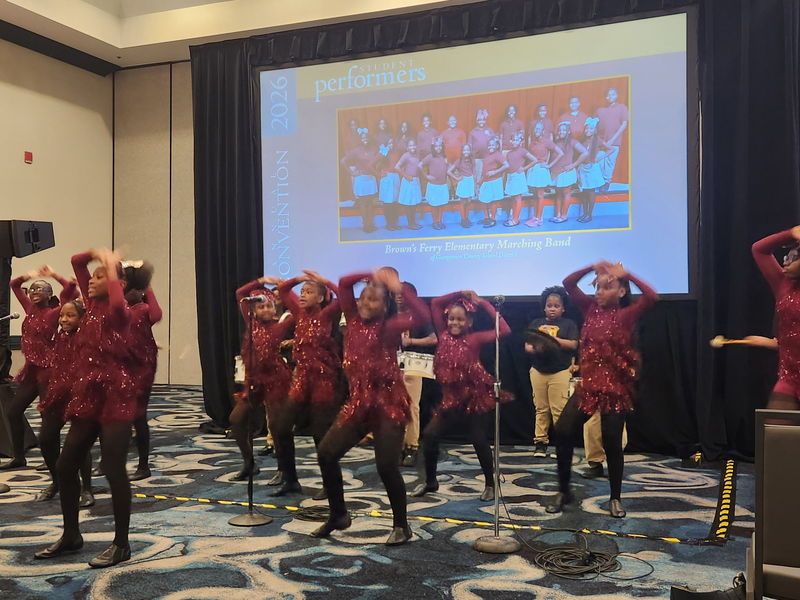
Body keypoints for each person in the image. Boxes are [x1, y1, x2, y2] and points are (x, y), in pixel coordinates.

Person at [35, 249, 137, 567]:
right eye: (91, 279)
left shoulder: (121, 311)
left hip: (116, 401)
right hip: (88, 399)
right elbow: (77, 262)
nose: (90, 282)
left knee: (114, 469)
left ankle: (121, 544)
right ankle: (71, 536)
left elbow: (118, 299)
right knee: (66, 467)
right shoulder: (90, 306)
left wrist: (110, 264)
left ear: (117, 283)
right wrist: (97, 256)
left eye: (99, 277)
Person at [314, 268, 428, 545]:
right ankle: (338, 514)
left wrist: (397, 287)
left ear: (385, 305)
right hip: (359, 404)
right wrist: (372, 275)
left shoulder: (388, 329)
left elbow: (423, 317)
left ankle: (401, 525)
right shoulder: (351, 319)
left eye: (374, 300)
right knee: (326, 453)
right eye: (363, 298)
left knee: (386, 466)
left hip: (388, 405)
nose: (366, 303)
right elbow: (343, 283)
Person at [550, 261, 657, 518]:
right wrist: (592, 267)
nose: (599, 291)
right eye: (597, 287)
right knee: (562, 430)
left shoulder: (626, 314)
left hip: (615, 389)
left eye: (607, 287)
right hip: (588, 386)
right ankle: (563, 490)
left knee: (611, 443)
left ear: (621, 292)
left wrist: (627, 273)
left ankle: (615, 497)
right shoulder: (589, 309)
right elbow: (568, 283)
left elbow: (652, 296)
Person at [413, 290, 510, 502]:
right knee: (429, 436)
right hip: (451, 401)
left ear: (469, 321)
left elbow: (504, 330)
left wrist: (482, 302)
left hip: (474, 398)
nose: (454, 323)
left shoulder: (475, 338)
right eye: (451, 318)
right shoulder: (442, 334)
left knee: (478, 439)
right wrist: (460, 293)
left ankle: (490, 484)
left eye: (460, 319)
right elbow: (436, 301)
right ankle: (430, 481)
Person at [1, 265, 77, 470]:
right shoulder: (29, 309)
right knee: (13, 412)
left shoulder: (54, 313)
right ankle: (19, 457)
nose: (34, 291)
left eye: (40, 289)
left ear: (49, 295)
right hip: (31, 371)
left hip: (49, 371)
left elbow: (71, 291)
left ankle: (51, 458)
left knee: (48, 417)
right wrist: (32, 275)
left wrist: (54, 274)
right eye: (32, 289)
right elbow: (15, 284)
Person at [274, 271, 342, 497]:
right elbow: (284, 290)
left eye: (309, 292)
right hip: (301, 378)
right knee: (281, 427)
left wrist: (324, 281)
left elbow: (344, 296)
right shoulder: (298, 312)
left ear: (321, 298)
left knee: (320, 434)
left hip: (323, 380)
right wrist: (297, 280)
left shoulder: (329, 314)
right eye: (302, 291)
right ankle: (290, 479)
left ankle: (328, 484)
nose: (302, 295)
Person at [229, 279, 294, 482]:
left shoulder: (280, 326)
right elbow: (240, 292)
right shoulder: (251, 323)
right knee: (236, 420)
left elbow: (298, 312)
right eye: (261, 306)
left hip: (276, 379)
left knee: (277, 427)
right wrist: (261, 282)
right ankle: (249, 463)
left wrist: (285, 291)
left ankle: (285, 471)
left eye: (269, 305)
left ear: (275, 308)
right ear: (254, 310)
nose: (265, 309)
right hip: (254, 381)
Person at [34, 298, 94, 508]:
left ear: (82, 318)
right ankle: (57, 481)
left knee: (79, 445)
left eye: (70, 316)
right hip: (58, 395)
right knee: (46, 438)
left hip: (81, 395)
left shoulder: (88, 337)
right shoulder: (61, 336)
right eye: (62, 315)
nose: (64, 319)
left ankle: (86, 488)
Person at [523, 286, 579, 457]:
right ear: (544, 307)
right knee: (541, 408)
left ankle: (560, 444)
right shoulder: (536, 323)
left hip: (560, 371)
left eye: (556, 306)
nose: (552, 309)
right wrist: (538, 347)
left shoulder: (568, 324)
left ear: (563, 308)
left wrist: (552, 340)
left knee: (559, 409)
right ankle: (540, 443)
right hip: (538, 371)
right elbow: (528, 346)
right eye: (549, 305)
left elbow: (574, 344)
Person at [751, 226, 800, 410]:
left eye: (794, 258)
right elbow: (759, 249)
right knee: (776, 436)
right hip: (790, 377)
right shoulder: (783, 284)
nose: (786, 263)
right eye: (786, 257)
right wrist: (790, 233)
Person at [122, 261, 162, 481]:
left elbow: (157, 315)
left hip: (142, 368)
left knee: (138, 416)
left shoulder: (145, 309)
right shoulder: (119, 310)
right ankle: (108, 459)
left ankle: (143, 465)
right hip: (120, 365)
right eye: (131, 289)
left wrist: (147, 286)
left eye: (140, 289)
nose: (136, 292)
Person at [395, 282, 437, 466]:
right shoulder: (388, 314)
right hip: (390, 364)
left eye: (403, 293)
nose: (399, 296)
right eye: (396, 292)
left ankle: (411, 447)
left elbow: (433, 339)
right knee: (391, 406)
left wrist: (411, 340)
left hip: (412, 363)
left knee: (411, 406)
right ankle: (395, 445)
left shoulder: (419, 318)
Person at [523, 121, 563, 227]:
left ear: (543, 131)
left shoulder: (547, 141)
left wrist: (549, 165)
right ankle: (535, 217)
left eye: (539, 129)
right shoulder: (532, 142)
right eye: (535, 129)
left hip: (541, 170)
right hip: (533, 169)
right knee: (536, 195)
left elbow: (560, 153)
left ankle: (539, 219)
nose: (537, 131)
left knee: (540, 195)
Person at [548, 121, 588, 223]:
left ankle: (564, 216)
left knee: (566, 193)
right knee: (558, 193)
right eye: (560, 129)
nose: (561, 131)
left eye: (564, 130)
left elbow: (585, 152)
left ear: (568, 131)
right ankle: (558, 215)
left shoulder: (572, 141)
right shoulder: (557, 142)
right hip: (556, 171)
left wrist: (573, 165)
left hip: (566, 172)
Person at [341, 129, 379, 233]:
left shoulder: (374, 149)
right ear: (360, 139)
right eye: (363, 138)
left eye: (366, 137)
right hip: (361, 178)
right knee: (363, 203)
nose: (365, 139)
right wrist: (351, 172)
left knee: (370, 202)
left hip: (371, 178)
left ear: (369, 139)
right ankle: (365, 225)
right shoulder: (356, 150)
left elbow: (379, 160)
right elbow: (343, 161)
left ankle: (371, 224)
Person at [595, 87, 628, 189]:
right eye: (608, 95)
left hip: (614, 142)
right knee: (599, 160)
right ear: (605, 97)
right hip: (601, 142)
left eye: (613, 94)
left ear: (617, 96)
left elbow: (624, 124)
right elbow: (594, 126)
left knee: (609, 162)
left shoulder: (622, 108)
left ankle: (606, 182)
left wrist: (612, 139)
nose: (610, 96)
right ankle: (599, 181)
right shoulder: (600, 110)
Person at [503, 131, 536, 227]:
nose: (514, 142)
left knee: (518, 198)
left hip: (518, 176)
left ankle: (515, 220)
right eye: (513, 140)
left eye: (517, 140)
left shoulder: (523, 151)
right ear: (510, 141)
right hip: (511, 177)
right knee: (513, 198)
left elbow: (534, 160)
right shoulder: (509, 153)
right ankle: (514, 217)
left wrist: (524, 168)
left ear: (520, 141)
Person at [577, 117, 606, 223]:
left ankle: (589, 214)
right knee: (584, 191)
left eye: (591, 129)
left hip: (592, 168)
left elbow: (610, 149)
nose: (588, 131)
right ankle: (584, 213)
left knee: (591, 192)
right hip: (583, 168)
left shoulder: (597, 140)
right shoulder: (582, 141)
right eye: (586, 129)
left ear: (595, 130)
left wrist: (600, 157)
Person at [475, 137, 507, 228]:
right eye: (489, 145)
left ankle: (493, 219)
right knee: (482, 199)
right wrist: (479, 181)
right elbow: (485, 170)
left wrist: (495, 172)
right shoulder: (487, 155)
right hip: (486, 181)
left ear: (497, 146)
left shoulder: (498, 155)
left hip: (494, 181)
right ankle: (486, 218)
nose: (490, 147)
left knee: (493, 201)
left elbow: (506, 165)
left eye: (493, 145)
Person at [421, 137, 450, 230]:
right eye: (436, 146)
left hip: (443, 185)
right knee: (434, 205)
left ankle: (440, 221)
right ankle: (435, 222)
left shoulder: (444, 157)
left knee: (441, 204)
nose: (438, 148)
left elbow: (447, 168)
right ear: (433, 147)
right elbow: (419, 165)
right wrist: (426, 176)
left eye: (440, 146)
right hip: (434, 185)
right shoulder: (430, 156)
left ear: (442, 147)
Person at [395, 139, 424, 231]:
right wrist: (406, 176)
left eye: (414, 145)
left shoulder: (417, 155)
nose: (412, 147)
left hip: (415, 180)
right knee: (408, 203)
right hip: (408, 181)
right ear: (407, 147)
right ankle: (410, 224)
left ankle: (413, 223)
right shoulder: (405, 155)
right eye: (410, 146)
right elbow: (397, 167)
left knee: (414, 203)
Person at [447, 143, 477, 228]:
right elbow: (449, 171)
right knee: (463, 202)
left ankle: (467, 218)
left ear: (470, 151)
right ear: (462, 151)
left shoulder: (472, 160)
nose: (466, 151)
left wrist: (475, 185)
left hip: (470, 181)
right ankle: (463, 219)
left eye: (468, 150)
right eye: (464, 150)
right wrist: (457, 178)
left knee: (469, 201)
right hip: (463, 182)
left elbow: (474, 172)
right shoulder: (459, 161)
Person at [468, 108, 495, 183]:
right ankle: (478, 190)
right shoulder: (472, 132)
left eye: (483, 120)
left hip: (488, 157)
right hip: (477, 158)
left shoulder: (489, 130)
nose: (481, 121)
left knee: (488, 174)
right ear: (476, 121)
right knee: (478, 174)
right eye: (479, 120)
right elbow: (470, 145)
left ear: (485, 120)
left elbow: (495, 142)